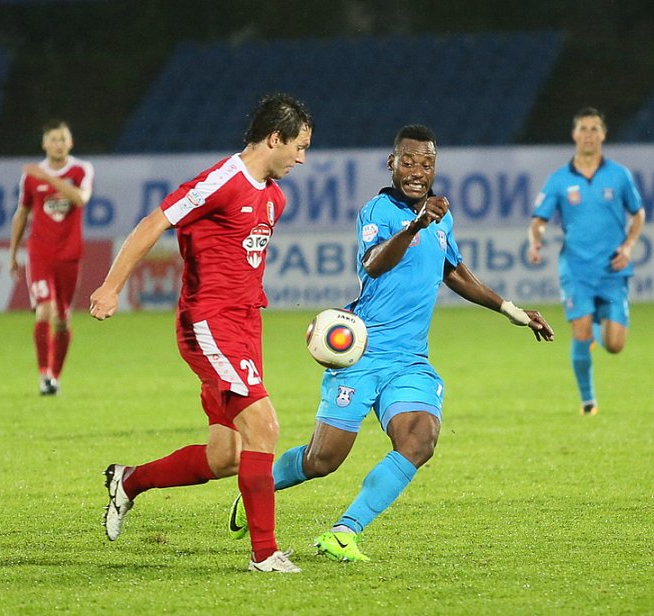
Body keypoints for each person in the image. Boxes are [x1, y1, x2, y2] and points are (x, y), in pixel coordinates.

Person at [228, 124, 555, 562]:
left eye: (426, 163)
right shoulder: (377, 211)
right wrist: (417, 224)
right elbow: (374, 263)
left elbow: (454, 272)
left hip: (409, 360)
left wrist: (512, 310)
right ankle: (259, 487)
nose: (417, 171)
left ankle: (344, 532)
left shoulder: (441, 217)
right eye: (409, 161)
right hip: (361, 354)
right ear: (392, 163)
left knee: (420, 440)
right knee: (322, 461)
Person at [89, 93, 313, 573]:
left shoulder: (274, 197)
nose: (301, 158)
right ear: (275, 138)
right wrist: (111, 287)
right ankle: (265, 553)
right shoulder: (222, 181)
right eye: (299, 146)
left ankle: (129, 481)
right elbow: (154, 222)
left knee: (226, 455)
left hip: (246, 326)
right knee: (265, 428)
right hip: (209, 324)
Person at [528, 107, 645, 416]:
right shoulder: (559, 180)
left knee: (615, 345)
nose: (589, 134)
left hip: (612, 269)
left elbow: (638, 214)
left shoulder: (619, 175)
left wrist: (629, 246)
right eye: (584, 129)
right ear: (574, 134)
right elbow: (539, 220)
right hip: (576, 269)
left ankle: (595, 325)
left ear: (603, 135)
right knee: (579, 334)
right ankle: (588, 401)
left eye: (595, 129)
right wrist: (536, 240)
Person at [9, 120, 94, 396]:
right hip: (40, 254)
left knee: (62, 319)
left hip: (69, 254)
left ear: (71, 143)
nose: (58, 144)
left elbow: (80, 199)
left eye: (63, 139)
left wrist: (48, 178)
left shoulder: (81, 170)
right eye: (53, 139)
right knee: (45, 310)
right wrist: (13, 253)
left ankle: (55, 376)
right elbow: (22, 214)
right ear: (45, 143)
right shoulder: (31, 178)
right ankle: (44, 375)